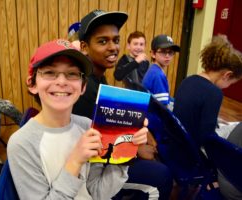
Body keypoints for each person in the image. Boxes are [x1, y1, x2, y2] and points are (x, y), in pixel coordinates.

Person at [7, 39, 148, 199]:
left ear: (83, 87)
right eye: (49, 72)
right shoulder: (21, 143)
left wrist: (126, 150)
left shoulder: (88, 126)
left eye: (72, 74)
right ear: (32, 84)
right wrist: (75, 161)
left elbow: (98, 193)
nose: (61, 81)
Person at [73, 9, 173, 200]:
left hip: (106, 160)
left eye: (116, 40)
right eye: (103, 41)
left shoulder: (100, 79)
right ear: (84, 47)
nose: (113, 47)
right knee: (162, 176)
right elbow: (97, 150)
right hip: (91, 174)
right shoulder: (85, 89)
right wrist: (135, 151)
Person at [173, 35, 242, 199]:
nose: (227, 87)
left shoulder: (188, 80)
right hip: (192, 153)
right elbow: (208, 138)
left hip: (177, 144)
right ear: (227, 75)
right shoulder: (214, 93)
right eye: (231, 83)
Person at [142, 34, 180, 108]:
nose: (167, 55)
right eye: (163, 51)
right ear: (153, 54)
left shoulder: (153, 70)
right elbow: (163, 108)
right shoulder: (158, 75)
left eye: (171, 52)